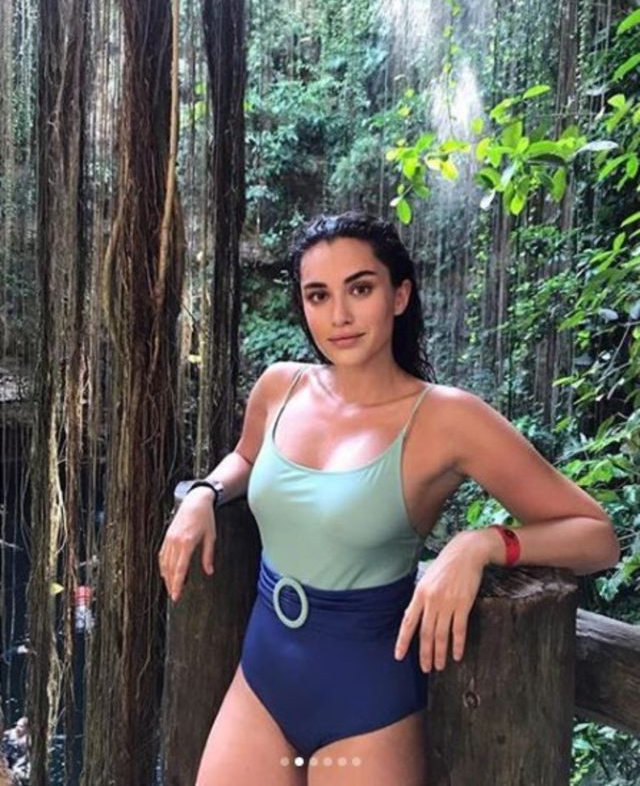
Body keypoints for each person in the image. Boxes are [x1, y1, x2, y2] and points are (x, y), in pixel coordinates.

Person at [158, 211, 620, 785]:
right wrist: (204, 493)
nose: (339, 315)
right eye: (318, 295)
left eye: (360, 289)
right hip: (261, 683)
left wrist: (480, 545)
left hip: (368, 704)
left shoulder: (448, 419)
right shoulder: (281, 386)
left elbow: (597, 537)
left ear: (399, 296)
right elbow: (248, 459)